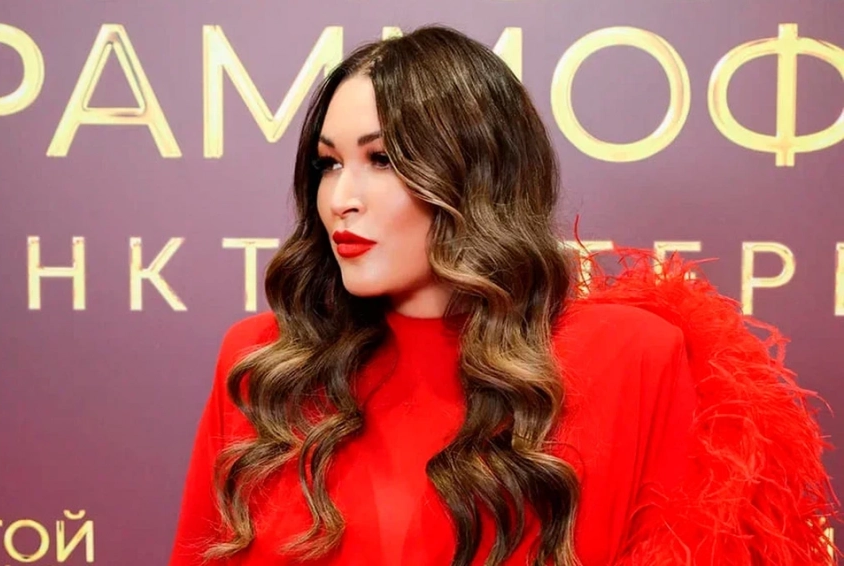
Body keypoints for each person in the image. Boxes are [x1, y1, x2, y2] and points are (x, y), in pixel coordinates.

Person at [168, 25, 838, 566]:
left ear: (478, 175)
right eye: (328, 162)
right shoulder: (265, 362)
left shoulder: (631, 358)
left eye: (383, 160)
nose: (341, 197)